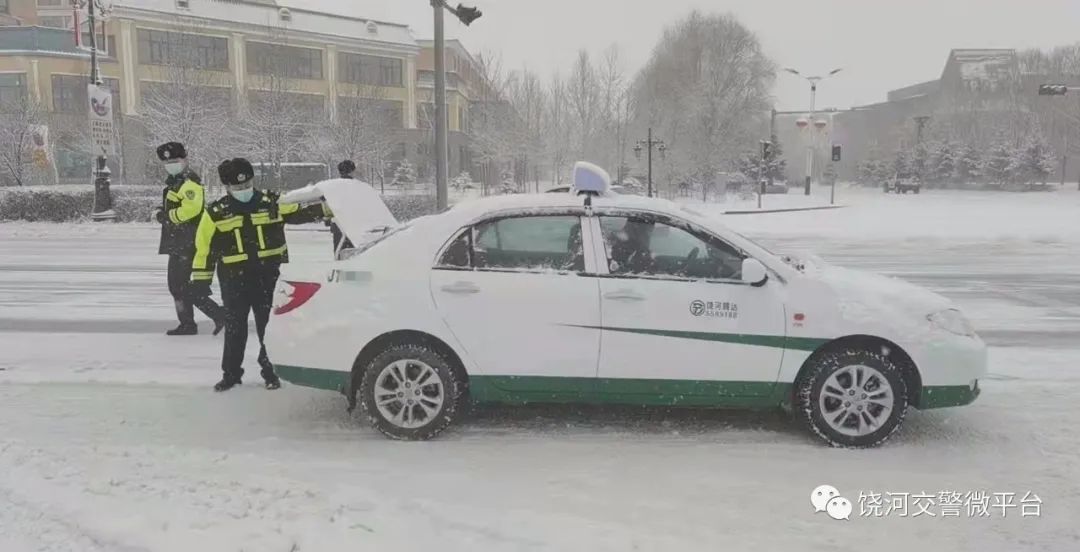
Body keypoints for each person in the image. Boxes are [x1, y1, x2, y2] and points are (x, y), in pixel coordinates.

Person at [191, 158, 329, 392]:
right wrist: (200, 281)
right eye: (237, 188)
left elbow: (302, 212)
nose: (243, 190)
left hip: (269, 276)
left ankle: (271, 372)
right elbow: (204, 249)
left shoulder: (273, 202)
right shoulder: (216, 213)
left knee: (270, 327)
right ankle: (231, 374)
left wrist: (331, 208)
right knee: (236, 328)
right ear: (227, 187)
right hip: (234, 279)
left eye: (246, 185)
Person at [153, 141, 225, 336]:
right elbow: (176, 204)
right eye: (167, 162)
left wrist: (167, 217)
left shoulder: (188, 181)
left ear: (184, 159)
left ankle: (213, 317)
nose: (171, 164)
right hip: (179, 240)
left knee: (179, 285)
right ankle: (195, 321)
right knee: (178, 285)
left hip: (187, 240)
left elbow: (191, 209)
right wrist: (163, 211)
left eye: (175, 160)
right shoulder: (176, 181)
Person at [328, 159, 356, 253]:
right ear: (352, 171)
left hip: (338, 223)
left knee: (339, 252)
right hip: (353, 223)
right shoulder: (357, 186)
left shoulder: (333, 186)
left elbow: (326, 202)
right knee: (352, 253)